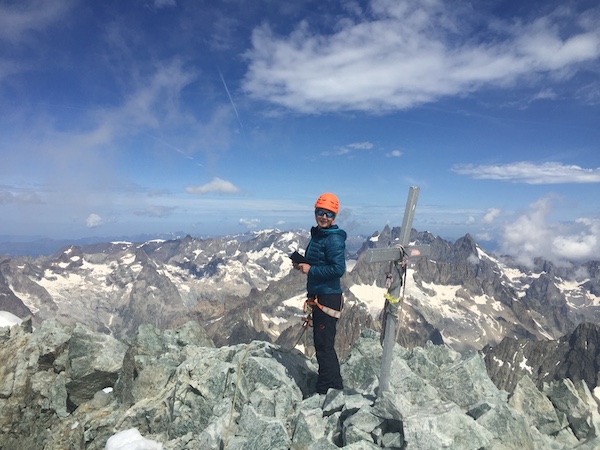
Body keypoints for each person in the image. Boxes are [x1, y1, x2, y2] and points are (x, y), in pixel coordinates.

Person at [295, 192, 346, 394]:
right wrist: (304, 265)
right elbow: (320, 262)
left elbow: (338, 269)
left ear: (334, 216)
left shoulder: (332, 239)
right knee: (322, 343)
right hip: (320, 296)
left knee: (324, 347)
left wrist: (311, 270)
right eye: (320, 212)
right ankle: (330, 385)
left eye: (329, 214)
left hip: (328, 298)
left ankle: (329, 389)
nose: (324, 217)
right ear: (315, 212)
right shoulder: (319, 235)